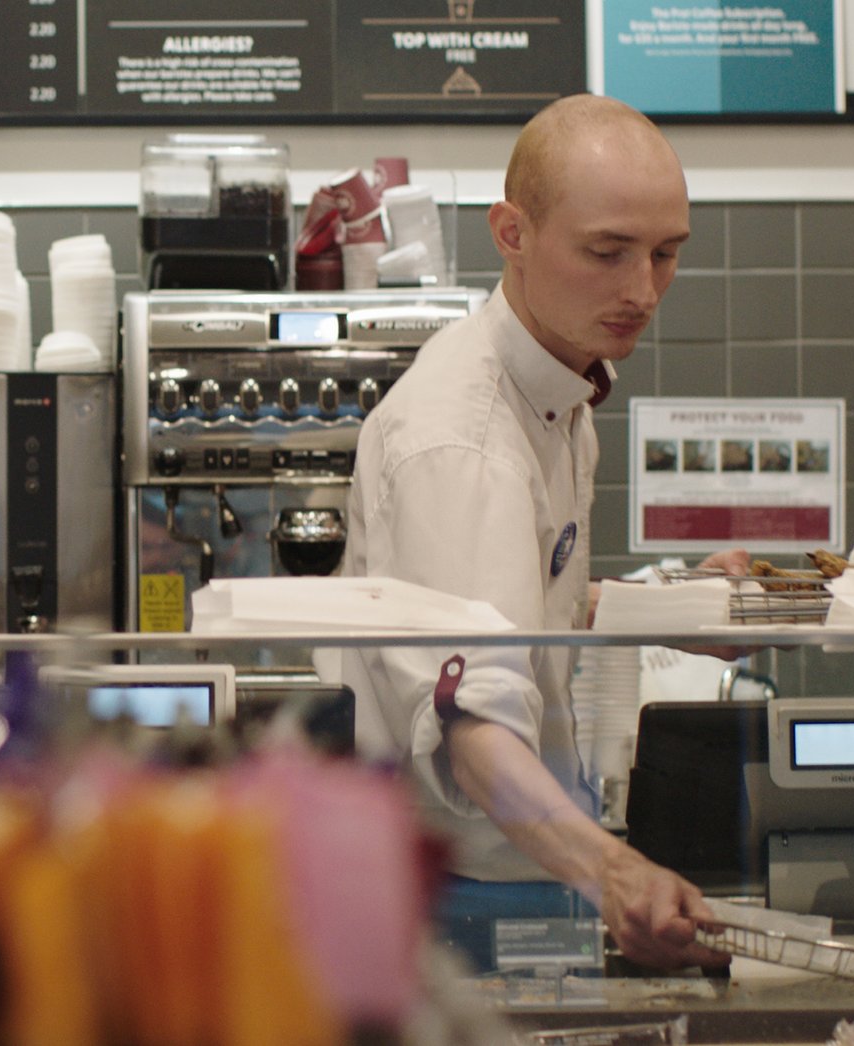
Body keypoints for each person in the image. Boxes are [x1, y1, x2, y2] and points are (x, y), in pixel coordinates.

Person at [333, 94, 742, 972]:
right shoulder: (463, 440)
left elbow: (518, 604)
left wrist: (670, 605)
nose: (642, 291)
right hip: (450, 892)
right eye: (607, 252)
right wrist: (618, 874)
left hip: (524, 862)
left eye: (666, 254)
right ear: (510, 232)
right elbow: (470, 722)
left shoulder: (558, 388)